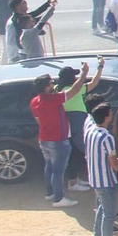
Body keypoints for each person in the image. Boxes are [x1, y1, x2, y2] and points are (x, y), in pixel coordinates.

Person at [29, 62, 89, 207]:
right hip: (58, 139)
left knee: (49, 167)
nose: (53, 84)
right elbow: (74, 90)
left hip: (44, 139)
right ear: (45, 87)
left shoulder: (34, 101)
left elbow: (38, 120)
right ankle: (58, 198)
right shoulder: (53, 99)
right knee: (58, 170)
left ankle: (50, 193)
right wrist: (84, 74)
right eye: (50, 83)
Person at [85, 102, 118, 236]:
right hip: (106, 181)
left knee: (102, 208)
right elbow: (112, 161)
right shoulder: (107, 137)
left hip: (95, 178)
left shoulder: (90, 131)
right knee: (109, 214)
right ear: (106, 117)